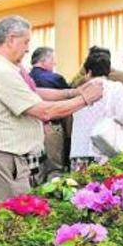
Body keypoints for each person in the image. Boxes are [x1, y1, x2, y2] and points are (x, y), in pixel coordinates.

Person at [0, 16, 104, 204]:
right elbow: (45, 112)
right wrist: (85, 99)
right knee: (10, 217)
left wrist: (72, 92)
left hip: (7, 154)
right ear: (10, 40)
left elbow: (33, 93)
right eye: (25, 42)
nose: (27, 49)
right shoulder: (0, 71)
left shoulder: (6, 67)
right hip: (1, 154)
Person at [69, 52, 123, 170]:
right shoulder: (116, 87)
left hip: (79, 148)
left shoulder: (78, 89)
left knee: (80, 185)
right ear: (108, 71)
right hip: (104, 149)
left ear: (88, 71)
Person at [29, 46, 70, 181]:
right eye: (53, 60)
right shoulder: (55, 78)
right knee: (54, 169)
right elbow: (69, 100)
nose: (54, 63)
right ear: (44, 60)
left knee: (35, 170)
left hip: (30, 128)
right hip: (52, 127)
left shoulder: (24, 79)